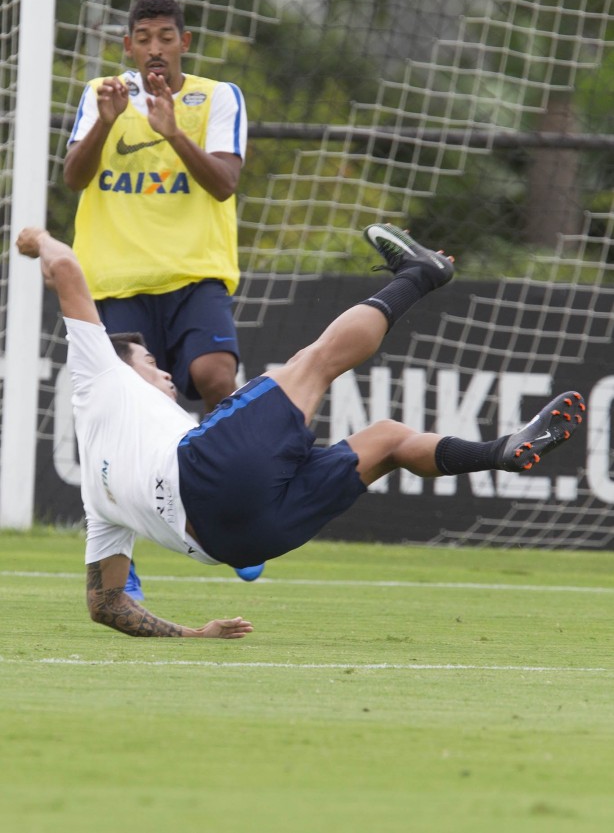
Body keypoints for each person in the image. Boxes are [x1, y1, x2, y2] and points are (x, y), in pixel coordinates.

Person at [16, 222, 585, 640]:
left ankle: (504, 450)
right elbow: (65, 266)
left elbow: (105, 603)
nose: (163, 370)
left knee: (385, 440)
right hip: (205, 476)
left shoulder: (96, 498)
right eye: (147, 361)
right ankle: (421, 274)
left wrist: (196, 635)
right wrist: (36, 240)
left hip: (236, 542)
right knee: (312, 364)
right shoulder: (97, 375)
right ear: (119, 365)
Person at [64, 0, 249, 598]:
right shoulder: (103, 94)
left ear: (183, 43)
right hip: (116, 283)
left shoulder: (217, 97)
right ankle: (122, 564)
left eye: (166, 37)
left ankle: (240, 520)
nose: (155, 49)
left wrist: (172, 133)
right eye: (143, 37)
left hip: (194, 275)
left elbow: (223, 184)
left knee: (217, 374)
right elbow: (73, 176)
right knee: (119, 427)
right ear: (128, 46)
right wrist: (110, 121)